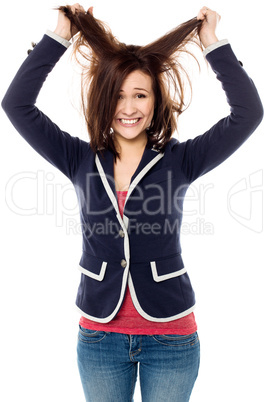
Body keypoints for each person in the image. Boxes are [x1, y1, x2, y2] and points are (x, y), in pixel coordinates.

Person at [2, 4, 263, 402]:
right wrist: (59, 35)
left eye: (140, 95)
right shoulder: (77, 157)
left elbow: (248, 114)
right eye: (118, 96)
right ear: (104, 101)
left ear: (156, 100)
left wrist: (213, 44)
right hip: (100, 338)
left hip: (171, 338)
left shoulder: (180, 160)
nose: (128, 108)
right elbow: (16, 104)